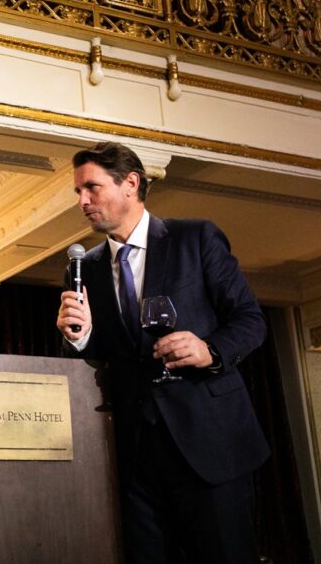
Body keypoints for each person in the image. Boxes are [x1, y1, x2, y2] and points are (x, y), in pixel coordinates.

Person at [55, 142, 269, 564]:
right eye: (78, 192)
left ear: (130, 183)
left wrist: (209, 350)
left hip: (209, 446)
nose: (82, 201)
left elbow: (250, 319)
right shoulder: (84, 268)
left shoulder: (197, 238)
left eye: (91, 188)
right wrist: (78, 339)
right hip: (133, 456)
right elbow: (104, 357)